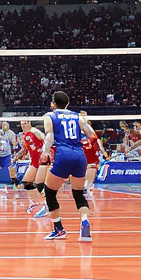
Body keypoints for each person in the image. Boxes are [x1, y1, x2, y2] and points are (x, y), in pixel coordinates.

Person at [39, 92, 99, 241]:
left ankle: (58, 229)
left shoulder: (50, 116)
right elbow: (92, 135)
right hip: (79, 156)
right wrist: (91, 146)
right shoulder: (78, 116)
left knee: (50, 192)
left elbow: (49, 136)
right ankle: (85, 221)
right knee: (79, 193)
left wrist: (45, 153)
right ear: (67, 103)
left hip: (63, 154)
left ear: (53, 104)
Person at [14, 119, 49, 216]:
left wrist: (45, 152)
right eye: (22, 124)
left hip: (42, 160)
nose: (23, 126)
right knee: (27, 181)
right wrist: (17, 156)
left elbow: (46, 141)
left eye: (25, 124)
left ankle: (46, 205)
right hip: (34, 161)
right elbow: (25, 149)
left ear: (29, 123)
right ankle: (35, 202)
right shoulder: (24, 136)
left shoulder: (35, 131)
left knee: (39, 184)